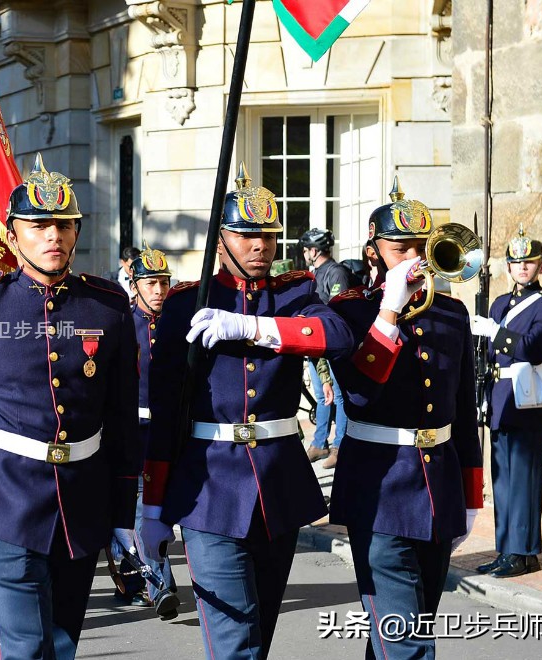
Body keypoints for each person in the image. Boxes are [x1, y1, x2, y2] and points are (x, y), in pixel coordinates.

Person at [0, 155, 140, 660]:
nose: (53, 236)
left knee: (62, 644)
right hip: (6, 496)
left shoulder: (107, 306)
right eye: (39, 225)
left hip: (82, 498)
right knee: (24, 649)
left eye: (64, 225)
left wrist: (124, 510)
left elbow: (122, 416)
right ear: (13, 234)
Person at [141, 164, 354, 660]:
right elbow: (167, 412)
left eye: (269, 235)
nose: (259, 245)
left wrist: (254, 328)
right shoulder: (184, 305)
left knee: (259, 635)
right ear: (221, 239)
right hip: (208, 487)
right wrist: (153, 506)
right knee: (234, 641)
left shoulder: (298, 293)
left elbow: (340, 339)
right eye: (245, 234)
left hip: (277, 485)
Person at [327, 178, 483, 659]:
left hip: (437, 489)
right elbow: (358, 394)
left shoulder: (452, 313)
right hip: (379, 490)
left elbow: (461, 410)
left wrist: (471, 493)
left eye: (421, 247)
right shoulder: (350, 312)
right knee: (407, 642)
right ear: (373, 251)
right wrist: (389, 310)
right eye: (400, 249)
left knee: (402, 632)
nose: (415, 259)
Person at [471, 225, 542, 578]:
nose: (522, 267)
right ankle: (507, 549)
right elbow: (488, 356)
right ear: (508, 267)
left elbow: (534, 348)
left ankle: (525, 553)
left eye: (529, 262)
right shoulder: (498, 304)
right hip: (499, 400)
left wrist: (496, 333)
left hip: (526, 402)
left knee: (524, 480)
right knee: (503, 482)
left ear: (541, 266)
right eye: (516, 262)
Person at [108, 245, 180, 617]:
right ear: (135, 286)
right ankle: (160, 585)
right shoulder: (122, 324)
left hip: (170, 430)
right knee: (137, 509)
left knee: (158, 510)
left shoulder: (179, 323)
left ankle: (136, 574)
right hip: (132, 430)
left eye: (164, 282)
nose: (159, 289)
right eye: (151, 282)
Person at [299, 228, 355, 469]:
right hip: (314, 344)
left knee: (339, 395)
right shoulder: (315, 273)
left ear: (314, 250)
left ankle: (339, 445)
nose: (303, 254)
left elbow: (339, 310)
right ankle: (319, 442)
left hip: (332, 344)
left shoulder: (336, 272)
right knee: (322, 396)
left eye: (305, 250)